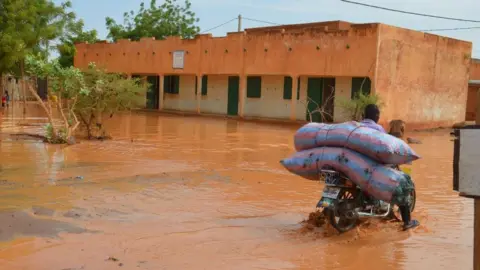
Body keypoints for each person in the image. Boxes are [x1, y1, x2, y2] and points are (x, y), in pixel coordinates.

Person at [361, 104, 420, 231]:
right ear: (377, 116)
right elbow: (386, 148)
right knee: (403, 184)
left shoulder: (357, 127)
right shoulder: (378, 129)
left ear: (363, 115)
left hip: (358, 165)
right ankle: (407, 222)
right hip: (374, 165)